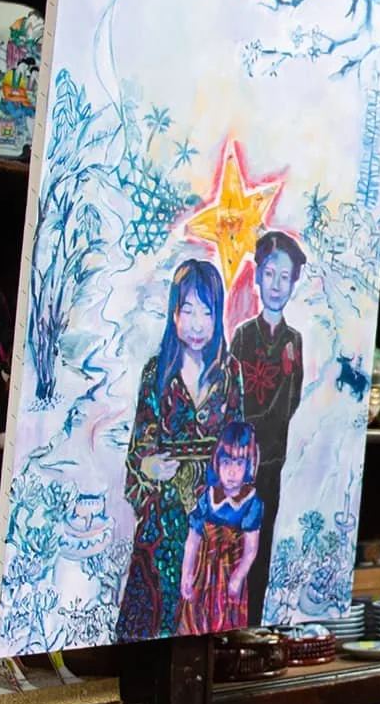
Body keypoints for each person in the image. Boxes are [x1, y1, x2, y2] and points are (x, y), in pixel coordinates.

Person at [116, 259, 244, 642]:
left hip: (214, 514)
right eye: (187, 310)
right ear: (174, 314)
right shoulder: (156, 373)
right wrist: (150, 466)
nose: (197, 322)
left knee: (209, 630)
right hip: (164, 513)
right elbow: (140, 446)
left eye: (206, 311)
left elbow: (240, 446)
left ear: (217, 314)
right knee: (153, 626)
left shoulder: (230, 371)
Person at [229, 229, 307, 623]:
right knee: (232, 543)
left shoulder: (294, 340)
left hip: (272, 462)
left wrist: (265, 434)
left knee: (261, 544)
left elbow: (290, 402)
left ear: (294, 283)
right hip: (238, 464)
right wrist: (249, 435)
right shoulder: (244, 336)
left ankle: (254, 621)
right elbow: (233, 398)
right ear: (258, 276)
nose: (276, 285)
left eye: (285, 277)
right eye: (270, 274)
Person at [179, 420, 264, 635]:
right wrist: (186, 573)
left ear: (249, 465)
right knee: (194, 621)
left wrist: (238, 578)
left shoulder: (251, 503)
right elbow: (193, 538)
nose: (232, 472)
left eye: (239, 464)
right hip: (202, 573)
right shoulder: (208, 497)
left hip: (228, 575)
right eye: (227, 463)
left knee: (225, 624)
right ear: (217, 462)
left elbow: (251, 549)